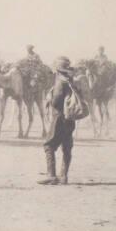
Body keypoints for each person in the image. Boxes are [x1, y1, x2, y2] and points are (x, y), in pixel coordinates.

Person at [39, 56, 80, 185]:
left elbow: (56, 101)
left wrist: (49, 101)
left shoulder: (59, 83)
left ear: (57, 70)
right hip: (70, 119)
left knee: (48, 145)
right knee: (67, 147)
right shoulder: (70, 81)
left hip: (58, 118)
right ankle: (63, 176)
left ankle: (51, 175)